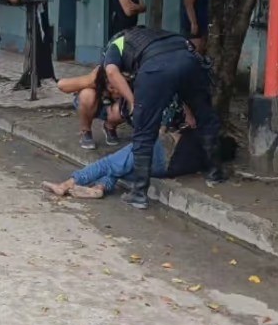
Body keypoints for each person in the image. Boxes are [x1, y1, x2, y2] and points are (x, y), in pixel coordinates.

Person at [103, 26, 224, 209]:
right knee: (206, 118)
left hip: (155, 68)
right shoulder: (159, 34)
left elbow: (111, 72)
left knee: (144, 131)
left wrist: (132, 101)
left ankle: (139, 193)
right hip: (190, 61)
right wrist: (189, 109)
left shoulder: (116, 44)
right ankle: (214, 172)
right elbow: (176, 72)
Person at [41, 98, 202, 198]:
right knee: (119, 168)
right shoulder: (207, 144)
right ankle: (99, 188)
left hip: (161, 151)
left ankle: (66, 184)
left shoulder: (181, 117)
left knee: (110, 163)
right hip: (167, 168)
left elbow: (167, 132)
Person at [57, 66, 123, 150]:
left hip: (115, 108)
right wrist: (90, 80)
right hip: (95, 103)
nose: (116, 91)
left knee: (131, 105)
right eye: (112, 87)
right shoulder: (100, 75)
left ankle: (110, 127)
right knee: (87, 94)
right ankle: (86, 131)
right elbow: (61, 85)